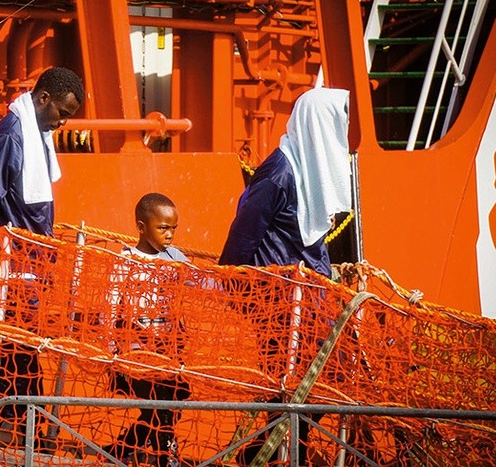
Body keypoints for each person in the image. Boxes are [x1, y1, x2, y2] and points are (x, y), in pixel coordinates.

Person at [218, 87, 351, 466]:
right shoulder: (279, 172)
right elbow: (245, 230)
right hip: (280, 300)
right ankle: (278, 453)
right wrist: (231, 282)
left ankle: (281, 450)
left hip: (311, 298)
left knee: (328, 377)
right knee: (292, 382)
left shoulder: (310, 166)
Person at [0, 67, 84, 443]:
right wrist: (0, 261)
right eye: (63, 111)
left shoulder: (36, 133)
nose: (63, 121)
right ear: (43, 98)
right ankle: (14, 430)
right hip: (12, 262)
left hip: (31, 260)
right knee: (15, 349)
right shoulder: (12, 134)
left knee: (19, 349)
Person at [104, 193, 192, 467]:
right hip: (134, 354)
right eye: (163, 228)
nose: (169, 235)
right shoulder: (126, 259)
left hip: (166, 353)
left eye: (173, 228)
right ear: (142, 227)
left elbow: (202, 282)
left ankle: (120, 449)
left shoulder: (176, 258)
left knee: (174, 399)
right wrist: (109, 353)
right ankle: (167, 458)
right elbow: (109, 307)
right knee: (161, 404)